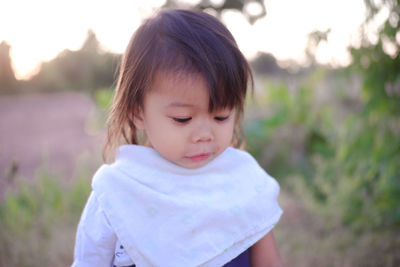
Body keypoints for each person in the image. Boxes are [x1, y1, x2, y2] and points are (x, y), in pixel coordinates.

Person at [72, 9, 283, 267]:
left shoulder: (243, 179)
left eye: (221, 117)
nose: (204, 135)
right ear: (137, 111)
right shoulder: (118, 192)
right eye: (183, 119)